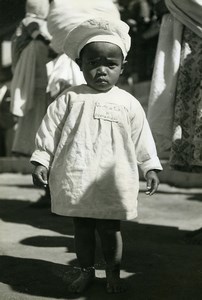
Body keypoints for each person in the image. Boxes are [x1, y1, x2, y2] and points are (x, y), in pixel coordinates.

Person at [31, 18, 162, 293]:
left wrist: (149, 166)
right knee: (82, 229)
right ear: (81, 65)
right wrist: (42, 159)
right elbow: (49, 131)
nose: (101, 71)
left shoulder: (128, 102)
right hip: (77, 175)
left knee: (109, 228)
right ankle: (86, 271)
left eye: (110, 65)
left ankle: (113, 273)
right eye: (93, 64)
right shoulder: (69, 98)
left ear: (122, 67)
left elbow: (142, 137)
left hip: (112, 180)